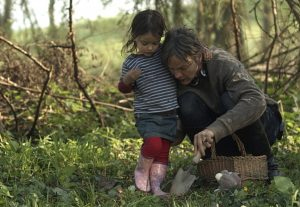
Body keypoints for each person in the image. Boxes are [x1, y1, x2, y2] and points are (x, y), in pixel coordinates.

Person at [161, 27, 284, 180]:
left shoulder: (220, 62)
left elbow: (255, 101)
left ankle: (268, 165)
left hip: (263, 125)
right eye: (172, 69)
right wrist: (163, 135)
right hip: (225, 139)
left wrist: (215, 130)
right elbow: (179, 122)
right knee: (188, 103)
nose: (177, 74)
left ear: (199, 56)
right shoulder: (172, 78)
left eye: (183, 68)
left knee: (230, 100)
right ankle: (216, 166)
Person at [118, 10, 178, 196]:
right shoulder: (131, 63)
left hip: (170, 113)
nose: (150, 47)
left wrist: (204, 52)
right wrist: (128, 79)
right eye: (145, 43)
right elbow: (123, 88)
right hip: (147, 114)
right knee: (153, 145)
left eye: (154, 42)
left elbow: (184, 50)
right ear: (135, 37)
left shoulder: (164, 54)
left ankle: (156, 186)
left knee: (163, 153)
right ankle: (142, 170)